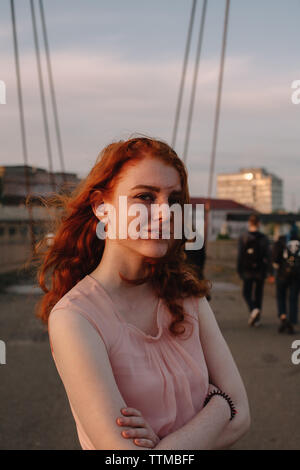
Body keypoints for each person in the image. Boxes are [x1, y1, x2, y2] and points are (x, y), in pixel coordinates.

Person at [35, 136, 250, 450]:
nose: (165, 213)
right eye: (146, 197)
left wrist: (164, 446)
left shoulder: (188, 295)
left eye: (173, 199)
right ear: (101, 208)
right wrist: (219, 405)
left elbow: (243, 417)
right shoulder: (75, 318)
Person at [237, 213, 272, 327]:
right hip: (260, 270)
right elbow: (269, 255)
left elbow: (240, 255)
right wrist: (270, 271)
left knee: (246, 292)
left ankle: (253, 310)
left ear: (249, 223)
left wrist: (239, 269)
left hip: (247, 270)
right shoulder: (264, 238)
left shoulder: (243, 237)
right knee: (258, 294)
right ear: (259, 223)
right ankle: (257, 319)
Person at [272, 223, 300, 334]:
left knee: (281, 296)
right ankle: (292, 321)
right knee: (293, 298)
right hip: (297, 275)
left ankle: (283, 316)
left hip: (282, 274)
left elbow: (275, 259)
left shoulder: (281, 242)